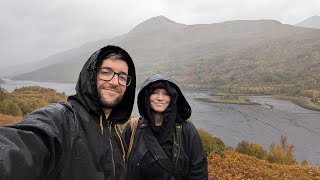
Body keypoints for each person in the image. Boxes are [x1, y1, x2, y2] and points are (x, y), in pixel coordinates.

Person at [0, 45, 136, 180]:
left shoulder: (116, 133)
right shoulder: (63, 120)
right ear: (91, 75)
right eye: (106, 72)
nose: (114, 82)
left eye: (122, 77)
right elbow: (18, 148)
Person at [122, 74, 208, 180]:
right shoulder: (132, 128)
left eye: (166, 94)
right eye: (155, 93)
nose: (160, 98)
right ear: (147, 96)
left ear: (172, 97)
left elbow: (199, 172)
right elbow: (119, 167)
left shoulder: (188, 131)